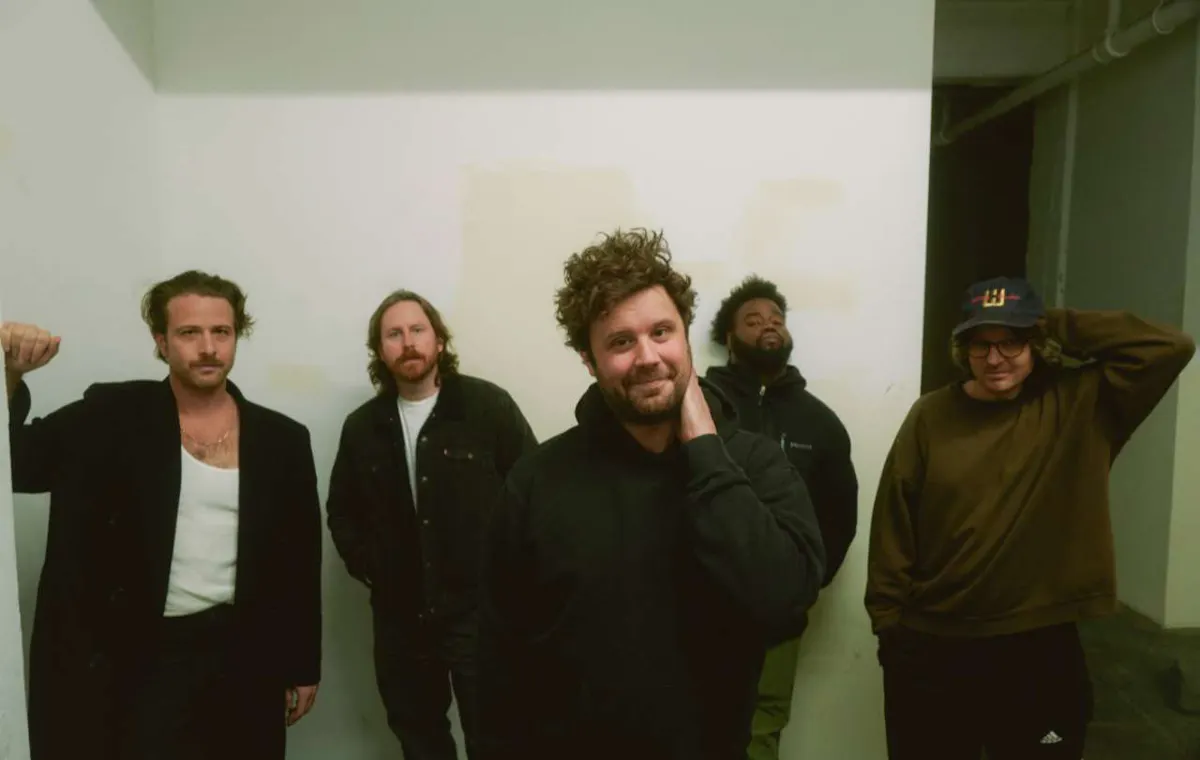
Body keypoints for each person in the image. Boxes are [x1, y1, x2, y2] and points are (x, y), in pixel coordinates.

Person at [475, 228, 827, 760]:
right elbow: (499, 661)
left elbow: (782, 603)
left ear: (685, 337)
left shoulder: (755, 464)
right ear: (589, 361)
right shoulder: (537, 482)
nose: (647, 356)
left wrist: (706, 450)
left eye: (661, 332)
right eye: (620, 342)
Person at [866, 276, 1196, 760]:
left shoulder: (1082, 403)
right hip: (934, 640)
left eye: (1011, 342)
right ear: (962, 350)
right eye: (981, 344)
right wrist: (888, 624)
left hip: (1038, 645)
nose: (995, 358)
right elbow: (894, 521)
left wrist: (1050, 322)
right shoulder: (931, 415)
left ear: (1035, 344)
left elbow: (1170, 347)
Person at [2, 270, 323, 760]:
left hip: (242, 658)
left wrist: (302, 664)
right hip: (134, 658)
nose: (208, 348)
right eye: (189, 332)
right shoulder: (111, 415)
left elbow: (298, 561)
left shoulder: (283, 439)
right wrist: (8, 377)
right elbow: (15, 463)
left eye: (221, 332)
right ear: (161, 341)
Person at [326, 289, 537, 760]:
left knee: (498, 735)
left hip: (480, 613)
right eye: (394, 334)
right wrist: (371, 567)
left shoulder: (486, 406)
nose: (408, 343)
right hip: (401, 618)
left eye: (418, 330)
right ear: (380, 351)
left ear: (439, 340)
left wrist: (512, 576)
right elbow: (342, 510)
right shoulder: (363, 427)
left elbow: (534, 491)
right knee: (419, 739)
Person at [705, 275, 858, 760]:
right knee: (688, 723)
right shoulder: (699, 407)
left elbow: (840, 516)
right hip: (698, 605)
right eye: (753, 320)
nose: (768, 326)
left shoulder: (820, 422)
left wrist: (803, 582)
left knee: (762, 728)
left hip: (778, 613)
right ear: (729, 339)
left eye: (776, 319)